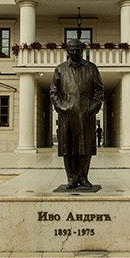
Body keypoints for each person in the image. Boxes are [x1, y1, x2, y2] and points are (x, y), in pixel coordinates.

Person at [50, 39, 104, 189]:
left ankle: (83, 176)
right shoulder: (60, 69)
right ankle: (71, 178)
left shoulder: (92, 69)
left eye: (77, 50)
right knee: (68, 148)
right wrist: (63, 108)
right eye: (71, 50)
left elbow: (99, 91)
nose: (74, 53)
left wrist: (91, 109)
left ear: (82, 50)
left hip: (86, 115)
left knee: (85, 148)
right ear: (67, 51)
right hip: (66, 116)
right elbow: (54, 92)